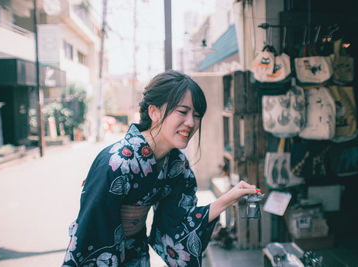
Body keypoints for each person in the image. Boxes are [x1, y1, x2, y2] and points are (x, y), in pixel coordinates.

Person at [62, 70, 259, 267]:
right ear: (154, 112)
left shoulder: (176, 164)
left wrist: (226, 200)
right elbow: (91, 230)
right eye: (182, 112)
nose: (191, 122)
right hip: (105, 255)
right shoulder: (115, 161)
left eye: (197, 115)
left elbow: (178, 223)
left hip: (137, 253)